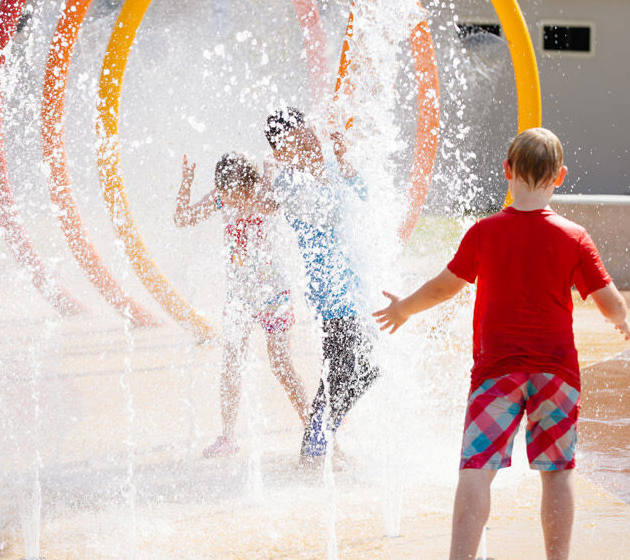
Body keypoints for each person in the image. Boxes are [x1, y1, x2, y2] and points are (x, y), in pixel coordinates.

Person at [373, 127, 629, 560]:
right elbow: (608, 301)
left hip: (496, 372)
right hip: (557, 373)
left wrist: (404, 310)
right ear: (561, 176)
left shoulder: (485, 232)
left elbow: (444, 287)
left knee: (477, 468)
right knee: (558, 471)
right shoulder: (574, 236)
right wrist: (623, 320)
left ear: (507, 170)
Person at [174, 151, 309, 457]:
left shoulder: (265, 191)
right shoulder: (224, 197)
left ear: (247, 184)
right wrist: (187, 183)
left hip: (274, 295)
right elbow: (182, 219)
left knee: (281, 365)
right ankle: (228, 437)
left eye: (231, 192)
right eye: (223, 191)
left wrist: (270, 174)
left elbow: (267, 205)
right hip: (240, 297)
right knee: (232, 364)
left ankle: (313, 429)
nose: (227, 199)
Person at [265, 107, 379, 461]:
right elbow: (326, 212)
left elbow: (363, 195)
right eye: (295, 138)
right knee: (342, 368)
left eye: (306, 132)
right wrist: (322, 169)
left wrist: (344, 162)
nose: (307, 141)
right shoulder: (287, 180)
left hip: (354, 286)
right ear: (280, 150)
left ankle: (320, 442)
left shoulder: (324, 168)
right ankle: (315, 450)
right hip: (329, 291)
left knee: (368, 367)